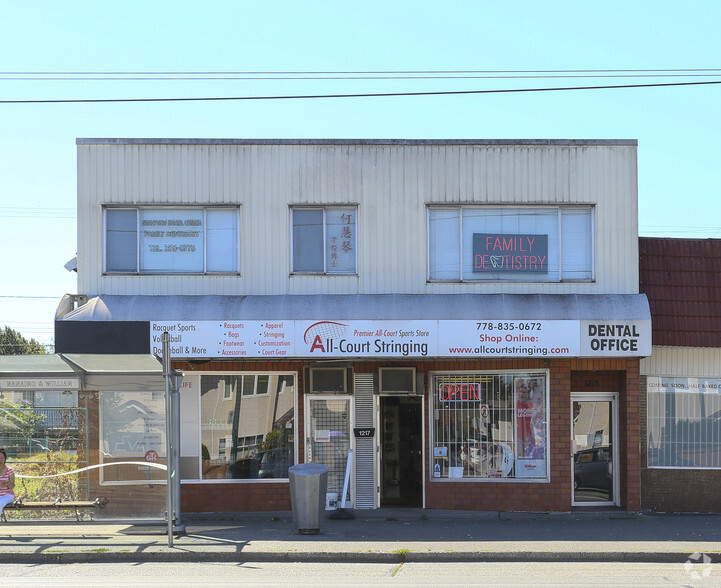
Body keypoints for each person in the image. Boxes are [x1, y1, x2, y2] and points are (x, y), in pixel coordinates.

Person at [0, 447, 16, 517]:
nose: (0, 460)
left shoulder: (9, 470)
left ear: (5, 459)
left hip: (8, 495)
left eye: (2, 458)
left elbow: (12, 486)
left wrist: (7, 483)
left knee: (0, 502)